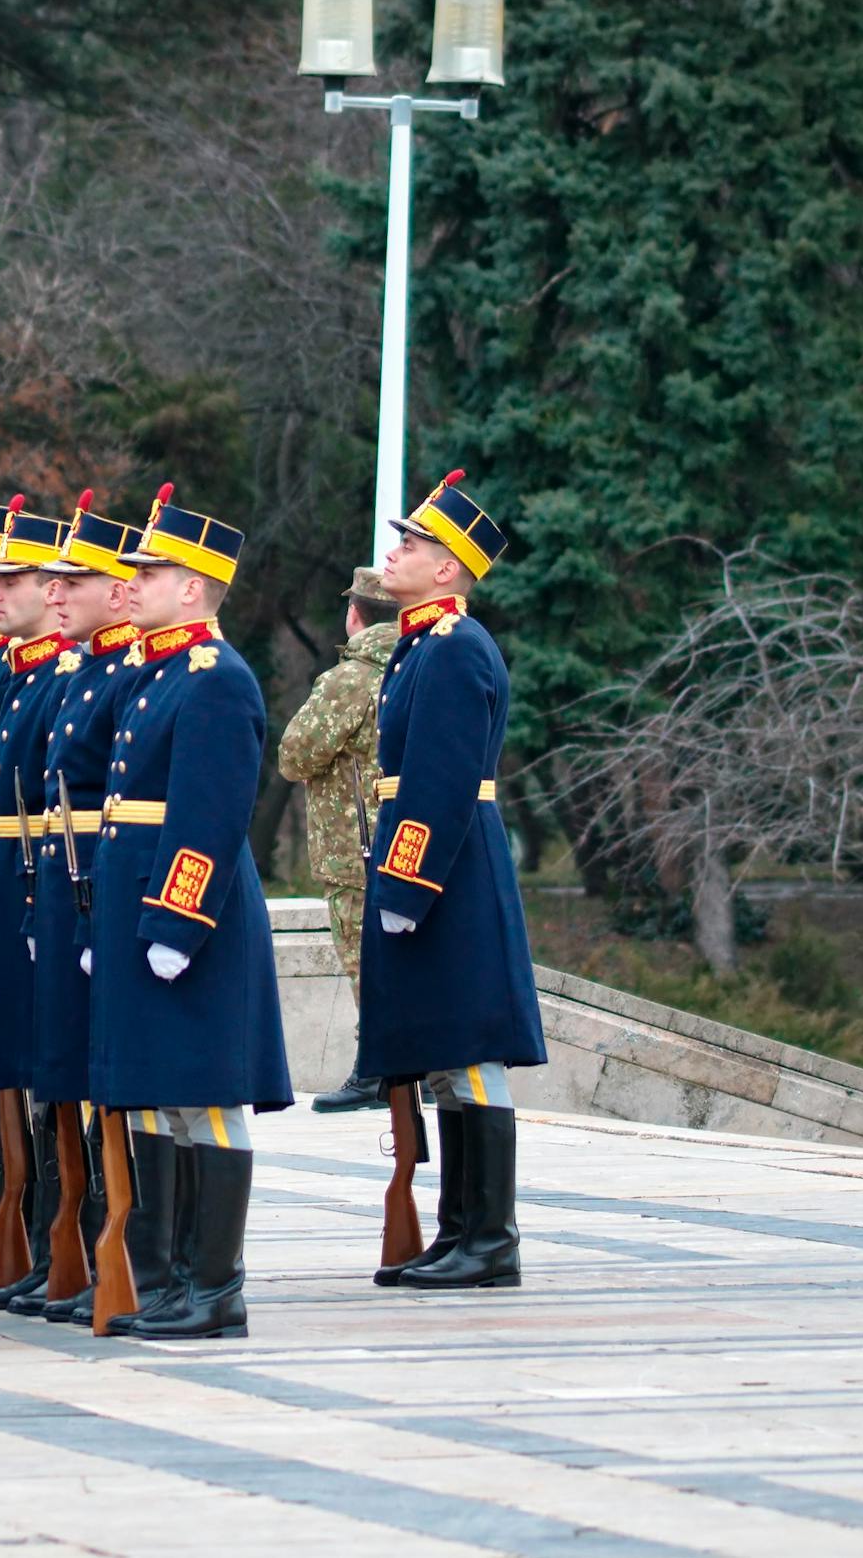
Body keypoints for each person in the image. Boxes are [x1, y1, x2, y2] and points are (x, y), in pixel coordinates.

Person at [82, 488, 293, 1341]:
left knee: (203, 1096)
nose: (133, 581)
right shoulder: (157, 669)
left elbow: (208, 815)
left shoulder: (216, 679)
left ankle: (217, 1286)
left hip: (189, 915)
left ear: (198, 585)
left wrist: (176, 924)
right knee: (161, 1097)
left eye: (152, 569)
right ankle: (168, 1280)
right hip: (138, 902)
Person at [358, 471, 545, 1291]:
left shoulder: (457, 648)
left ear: (447, 568)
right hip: (437, 865)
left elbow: (438, 782)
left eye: (412, 543)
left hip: (452, 867)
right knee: (446, 1052)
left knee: (471, 1050)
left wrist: (407, 885)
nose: (394, 553)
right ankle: (458, 1229)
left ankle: (489, 1237)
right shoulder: (421, 643)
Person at [281, 567, 403, 1113]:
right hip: (397, 843)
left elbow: (295, 754)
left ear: (354, 614)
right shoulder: (414, 664)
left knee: (362, 962)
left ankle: (376, 1070)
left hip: (352, 846)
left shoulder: (351, 678)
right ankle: (392, 1066)